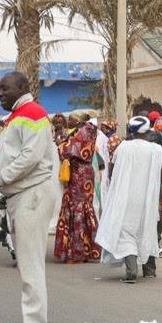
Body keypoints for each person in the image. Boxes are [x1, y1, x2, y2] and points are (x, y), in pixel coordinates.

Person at [0, 71, 57, 323]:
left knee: (30, 262)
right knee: (27, 262)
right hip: (22, 194)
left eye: (5, 89)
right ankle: (32, 321)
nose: (0, 93)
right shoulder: (19, 114)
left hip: (32, 194)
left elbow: (30, 158)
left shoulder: (32, 113)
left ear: (23, 87)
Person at [96, 116, 162, 283]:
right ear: (148, 130)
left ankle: (131, 271)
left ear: (131, 131)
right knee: (146, 229)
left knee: (127, 232)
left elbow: (111, 172)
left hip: (126, 197)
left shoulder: (123, 147)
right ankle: (149, 270)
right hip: (148, 198)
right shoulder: (156, 149)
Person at [53, 111, 100, 263]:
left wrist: (61, 143)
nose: (68, 121)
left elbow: (67, 151)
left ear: (78, 120)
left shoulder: (84, 132)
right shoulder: (83, 131)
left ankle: (77, 252)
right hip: (83, 173)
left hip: (79, 174)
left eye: (71, 119)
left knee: (77, 208)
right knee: (82, 207)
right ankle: (87, 249)